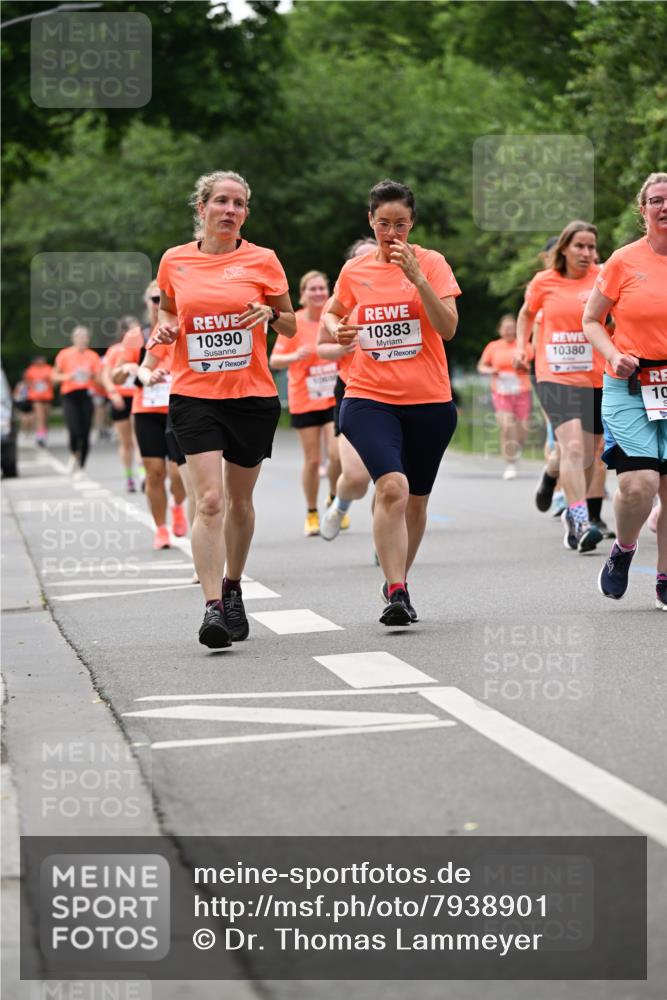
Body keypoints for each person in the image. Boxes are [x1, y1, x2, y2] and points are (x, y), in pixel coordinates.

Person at [153, 170, 296, 648]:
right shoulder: (175, 261)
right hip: (195, 394)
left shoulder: (264, 260)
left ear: (245, 214)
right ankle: (213, 607)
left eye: (238, 204)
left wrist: (271, 315)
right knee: (209, 500)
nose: (230, 210)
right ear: (202, 208)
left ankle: (234, 584)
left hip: (252, 396)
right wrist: (167, 329)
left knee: (239, 502)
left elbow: (292, 325)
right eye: (221, 201)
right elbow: (169, 310)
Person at [324, 179, 460, 626]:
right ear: (370, 221)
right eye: (383, 223)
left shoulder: (433, 263)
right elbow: (333, 311)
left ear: (412, 223)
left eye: (400, 224)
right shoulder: (356, 270)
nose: (392, 233)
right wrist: (336, 327)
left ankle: (397, 577)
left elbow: (448, 327)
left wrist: (417, 278)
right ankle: (397, 591)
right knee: (392, 487)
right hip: (368, 397)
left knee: (416, 501)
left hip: (429, 400)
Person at [582, 171, 667, 610]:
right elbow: (592, 319)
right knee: (640, 483)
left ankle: (665, 577)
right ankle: (625, 550)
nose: (664, 207)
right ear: (644, 210)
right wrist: (613, 354)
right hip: (630, 383)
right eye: (656, 200)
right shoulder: (623, 261)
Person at [515, 221, 606, 553]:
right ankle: (582, 521)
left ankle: (554, 480)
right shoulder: (544, 282)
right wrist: (520, 347)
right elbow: (526, 314)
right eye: (579, 246)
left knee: (589, 454)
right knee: (573, 448)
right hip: (555, 374)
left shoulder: (603, 277)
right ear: (564, 248)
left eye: (591, 247)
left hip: (597, 376)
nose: (586, 253)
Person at [269, 271, 339, 536]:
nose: (319, 293)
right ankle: (311, 512)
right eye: (313, 289)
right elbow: (274, 361)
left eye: (322, 288)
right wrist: (295, 355)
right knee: (312, 461)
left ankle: (334, 501)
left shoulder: (333, 318)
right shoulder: (294, 323)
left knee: (336, 455)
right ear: (303, 294)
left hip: (333, 397)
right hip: (305, 399)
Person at [318, 237, 377, 541]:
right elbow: (321, 348)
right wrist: (341, 348)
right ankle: (339, 506)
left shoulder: (403, 293)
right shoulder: (339, 302)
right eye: (361, 259)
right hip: (352, 389)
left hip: (397, 389)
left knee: (392, 480)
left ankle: (386, 541)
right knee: (356, 477)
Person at [115, 316, 188, 549]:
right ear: (148, 302)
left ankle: (177, 505)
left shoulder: (186, 324)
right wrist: (127, 369)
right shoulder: (135, 336)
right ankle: (161, 529)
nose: (159, 303)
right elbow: (115, 376)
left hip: (179, 409)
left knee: (179, 474)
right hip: (146, 411)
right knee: (154, 473)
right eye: (154, 298)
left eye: (163, 298)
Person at [477, 314, 533, 479]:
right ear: (500, 330)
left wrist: (524, 366)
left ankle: (517, 448)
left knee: (523, 429)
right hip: (501, 392)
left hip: (521, 391)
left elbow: (535, 366)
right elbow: (481, 366)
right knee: (507, 426)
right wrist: (490, 370)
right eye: (506, 327)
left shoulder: (525, 346)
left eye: (512, 327)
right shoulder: (493, 347)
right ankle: (510, 464)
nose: (509, 330)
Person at [52, 326, 102, 474]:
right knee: (74, 430)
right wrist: (69, 376)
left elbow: (99, 378)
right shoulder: (64, 355)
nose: (82, 339)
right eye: (79, 336)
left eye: (84, 336)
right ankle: (74, 454)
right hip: (70, 396)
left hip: (86, 395)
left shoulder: (92, 356)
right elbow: (54, 376)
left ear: (88, 339)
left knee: (86, 432)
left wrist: (91, 376)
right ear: (73, 339)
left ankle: (81, 465)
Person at [101, 318, 141, 492]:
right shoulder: (115, 350)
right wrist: (113, 394)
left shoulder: (145, 348)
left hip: (139, 397)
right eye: (132, 331)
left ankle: (143, 474)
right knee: (126, 443)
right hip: (121, 399)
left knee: (139, 440)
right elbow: (105, 376)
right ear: (124, 332)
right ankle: (129, 477)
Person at [22, 355, 54, 446]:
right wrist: (32, 385)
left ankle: (44, 433)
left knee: (46, 417)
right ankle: (40, 436)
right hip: (36, 397)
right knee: (40, 417)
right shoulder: (31, 370)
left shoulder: (48, 369)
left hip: (47, 397)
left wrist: (49, 383)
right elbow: (26, 381)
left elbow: (53, 381)